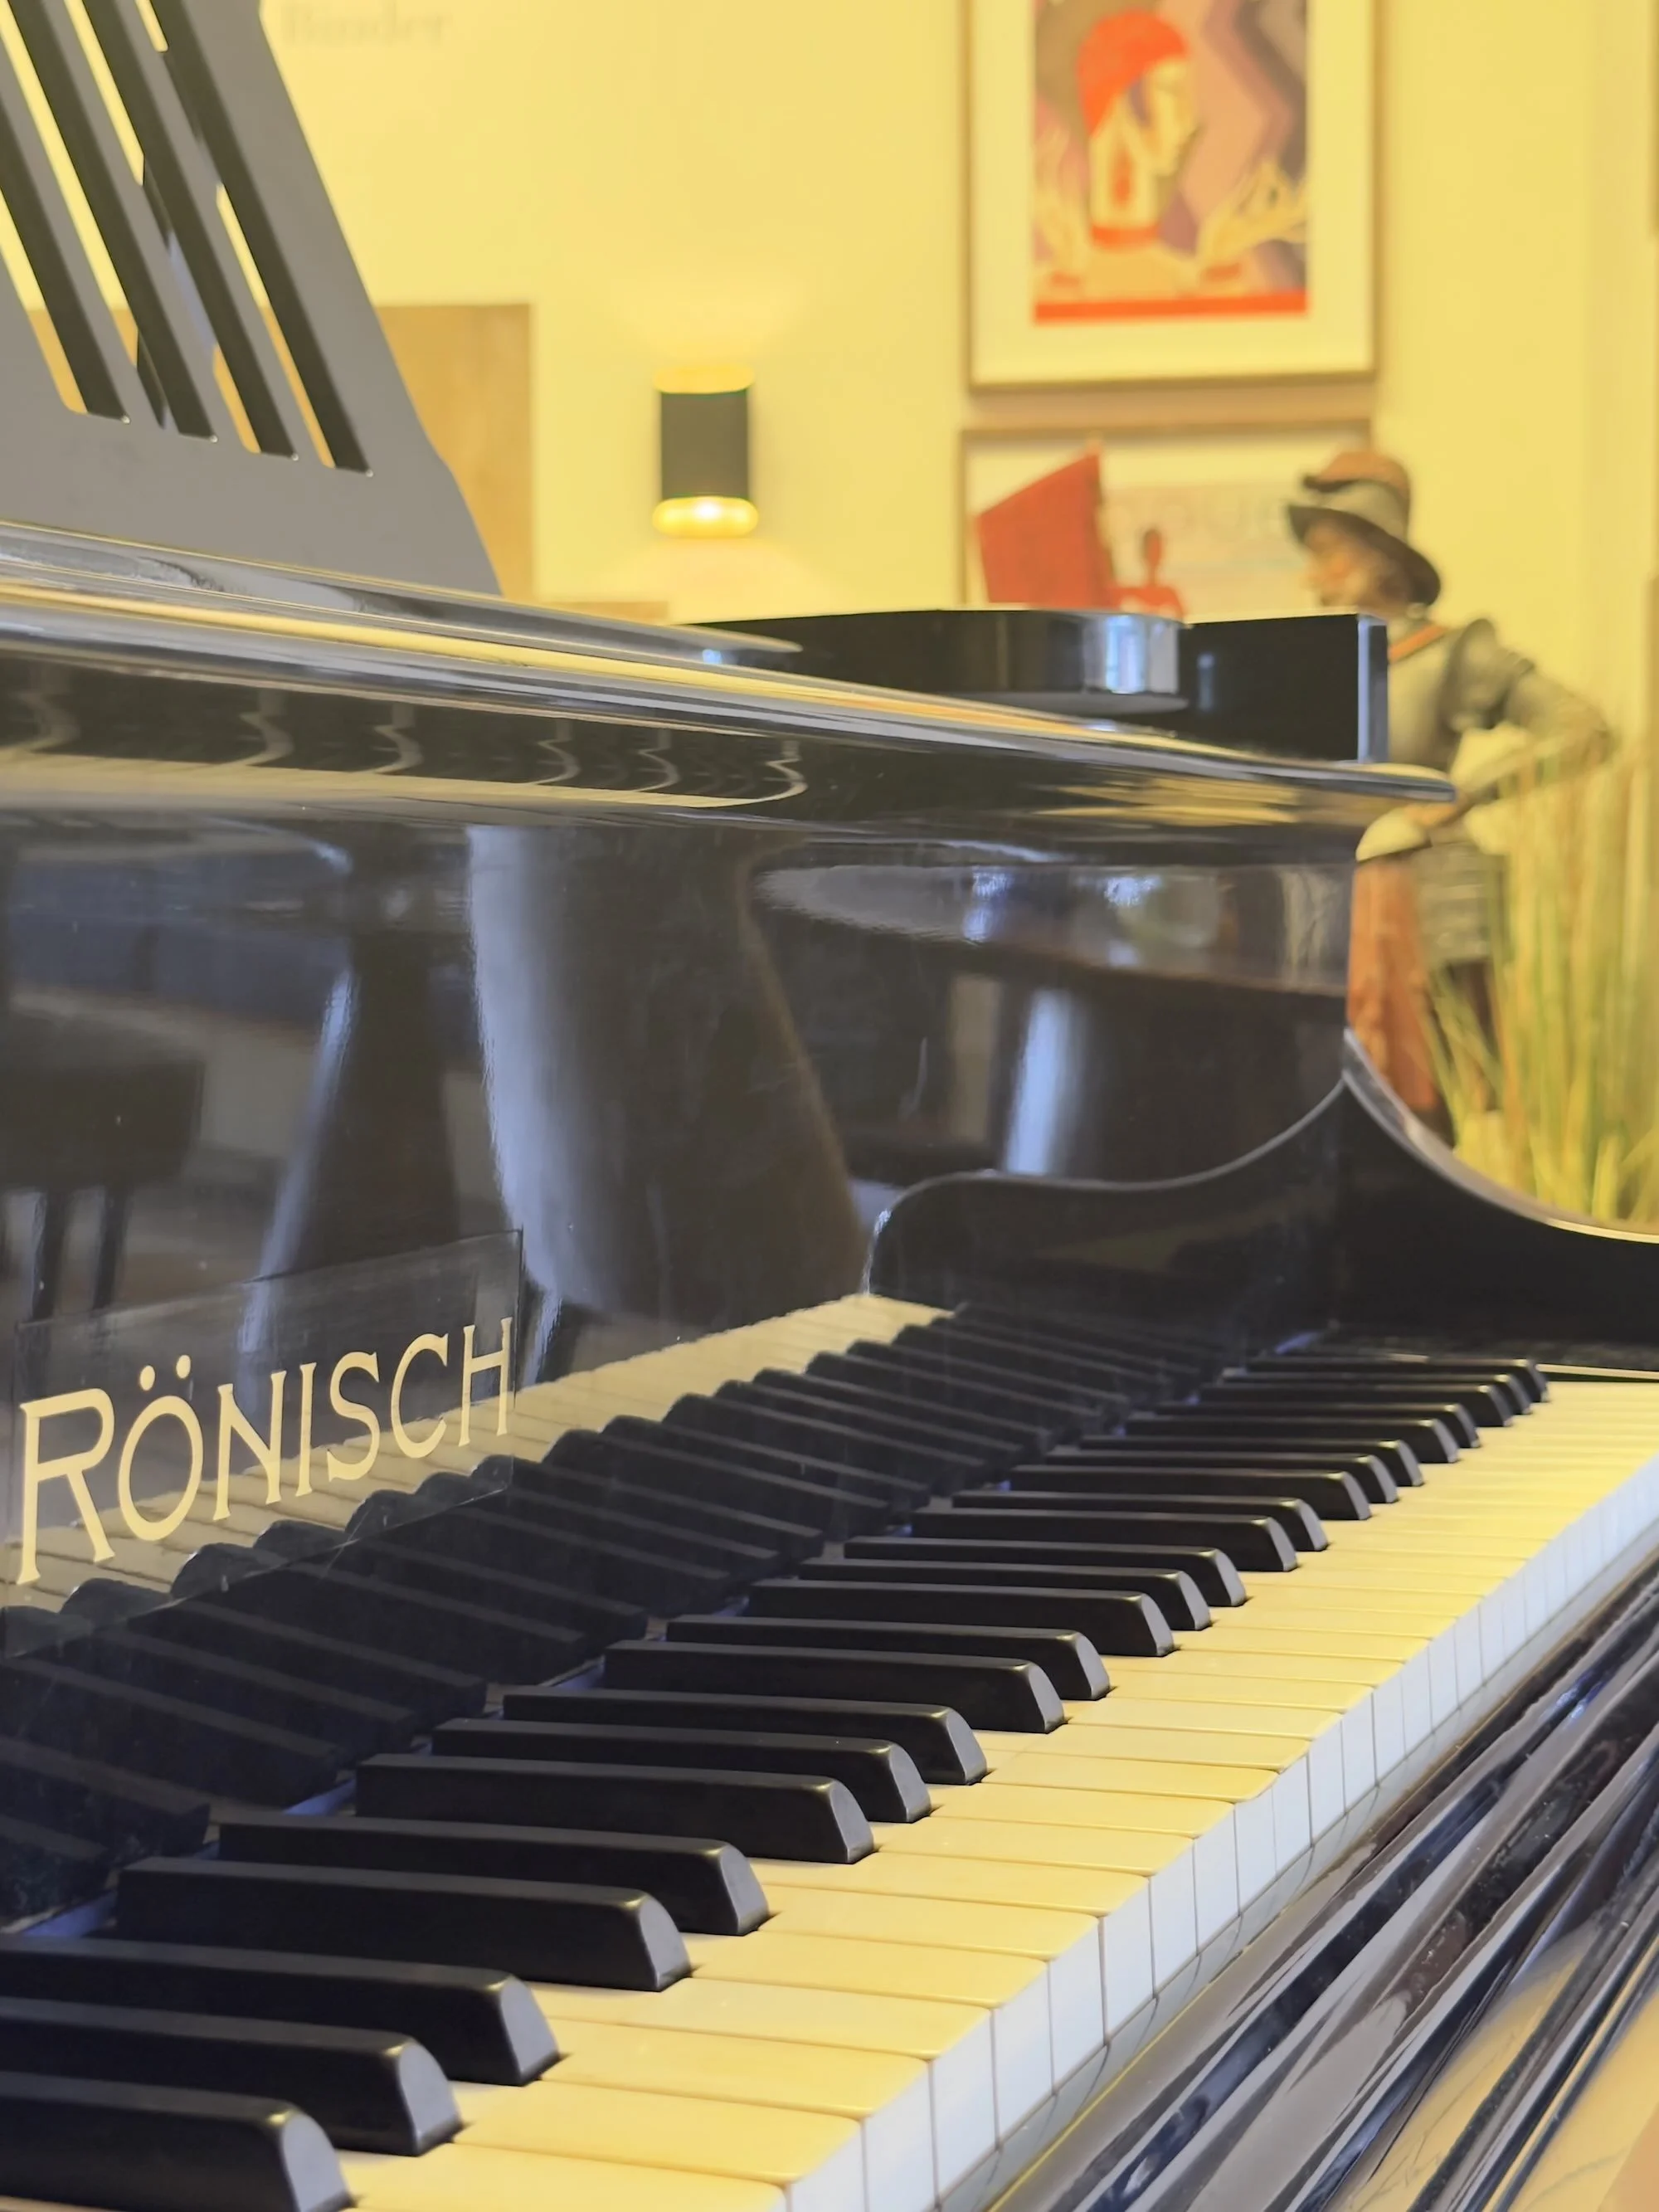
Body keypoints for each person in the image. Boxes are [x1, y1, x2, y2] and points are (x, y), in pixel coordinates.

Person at [1287, 449, 1610, 1119]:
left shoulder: (1450, 654)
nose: (1316, 574)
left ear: (1378, 555)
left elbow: (1582, 728)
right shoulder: (1309, 663)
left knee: (1432, 1101)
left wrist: (1468, 793)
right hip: (1328, 898)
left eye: (1331, 552)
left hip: (1418, 896)